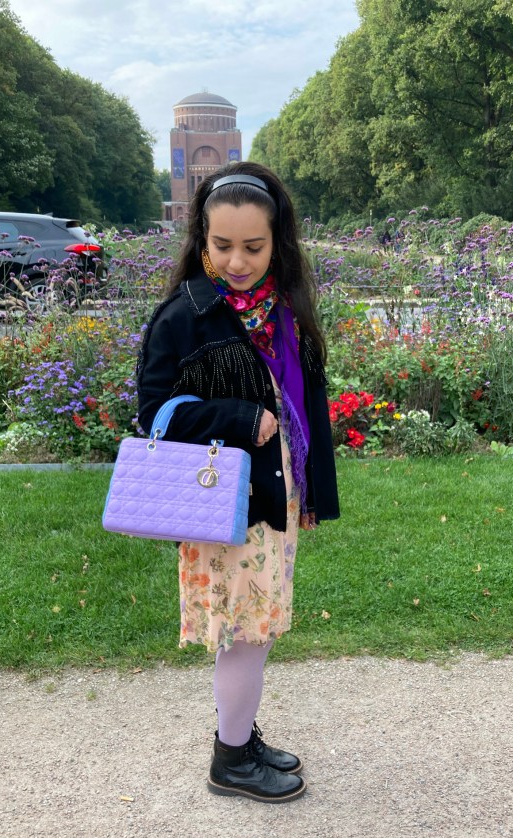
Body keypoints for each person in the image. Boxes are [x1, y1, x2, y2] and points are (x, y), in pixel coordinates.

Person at [136, 162, 339, 804]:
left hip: (278, 495)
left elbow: (309, 409)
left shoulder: (285, 310)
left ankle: (240, 736)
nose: (237, 261)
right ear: (202, 240)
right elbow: (154, 414)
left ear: (278, 242)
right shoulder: (184, 315)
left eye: (254, 246)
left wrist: (316, 493)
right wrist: (238, 417)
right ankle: (230, 760)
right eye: (222, 245)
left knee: (257, 630)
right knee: (247, 635)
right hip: (223, 503)